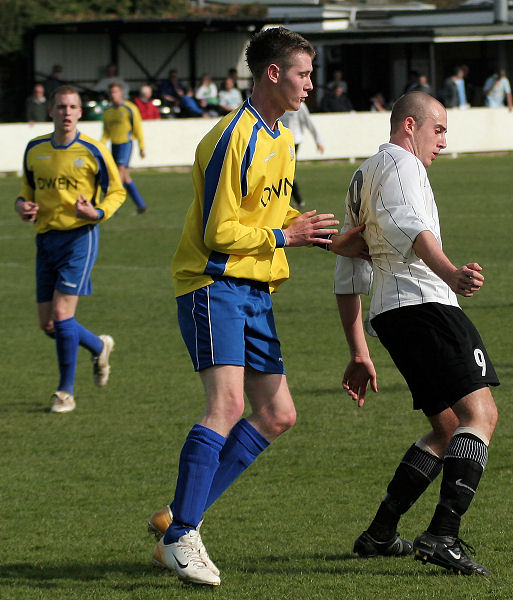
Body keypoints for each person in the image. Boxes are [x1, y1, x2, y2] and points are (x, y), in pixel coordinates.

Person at [146, 26, 367, 587]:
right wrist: (285, 237)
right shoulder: (230, 138)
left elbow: (281, 213)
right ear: (273, 74)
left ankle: (181, 515)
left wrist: (329, 239)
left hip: (255, 288)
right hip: (212, 283)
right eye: (303, 74)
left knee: (277, 415)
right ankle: (180, 539)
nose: (310, 85)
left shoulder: (281, 138)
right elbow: (219, 231)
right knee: (225, 405)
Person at [334, 92, 500, 577]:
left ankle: (381, 532)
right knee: (481, 414)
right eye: (439, 130)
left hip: (390, 314)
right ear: (411, 125)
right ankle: (442, 536)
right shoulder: (404, 167)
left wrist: (358, 350)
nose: (443, 142)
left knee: (449, 428)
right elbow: (413, 229)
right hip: (425, 304)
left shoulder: (362, 176)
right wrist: (450, 273)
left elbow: (347, 268)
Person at [14, 85, 125, 413]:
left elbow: (116, 191)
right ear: (51, 110)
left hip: (80, 237)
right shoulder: (35, 149)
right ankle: (98, 345)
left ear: (80, 112)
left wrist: (98, 212)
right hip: (45, 239)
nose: (66, 112)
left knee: (63, 316)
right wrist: (23, 206)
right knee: (49, 325)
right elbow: (27, 190)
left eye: (72, 107)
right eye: (60, 106)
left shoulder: (94, 149)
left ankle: (65, 393)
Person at [102, 82, 148, 215]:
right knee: (126, 178)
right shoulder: (108, 112)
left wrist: (142, 147)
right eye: (111, 92)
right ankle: (141, 205)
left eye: (116, 92)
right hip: (114, 146)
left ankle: (112, 205)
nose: (113, 95)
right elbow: (106, 133)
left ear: (121, 93)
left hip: (126, 144)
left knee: (118, 174)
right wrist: (99, 146)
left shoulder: (130, 108)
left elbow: (137, 128)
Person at [279, 101, 325, 209]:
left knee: (288, 172)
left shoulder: (300, 106)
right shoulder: (279, 102)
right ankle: (291, 201)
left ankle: (297, 201)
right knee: (282, 171)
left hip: (294, 141)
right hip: (280, 141)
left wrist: (318, 141)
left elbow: (309, 123)